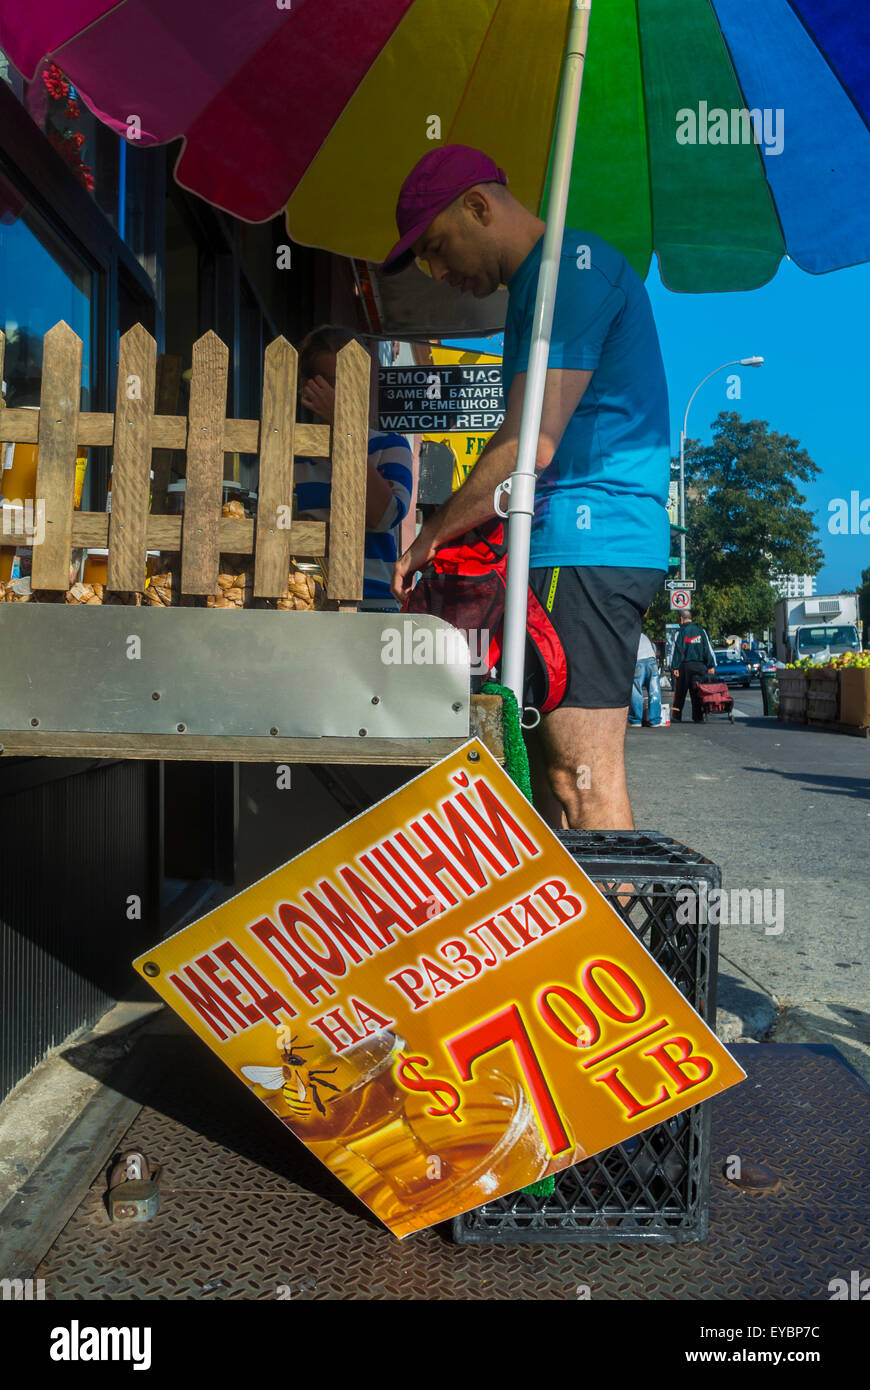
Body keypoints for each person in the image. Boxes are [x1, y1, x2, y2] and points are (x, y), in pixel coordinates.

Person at [382, 145, 669, 829]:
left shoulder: (570, 272)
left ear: (479, 206)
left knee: (579, 783)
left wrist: (430, 537)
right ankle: (578, 935)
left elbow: (526, 446)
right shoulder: (542, 284)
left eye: (438, 247)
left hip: (585, 544)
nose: (438, 271)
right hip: (573, 545)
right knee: (549, 786)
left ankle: (621, 939)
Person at [295, 326, 412, 612]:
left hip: (373, 601)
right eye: (335, 382)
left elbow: (384, 515)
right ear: (308, 385)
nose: (346, 392)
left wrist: (342, 427)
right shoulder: (291, 453)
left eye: (355, 381)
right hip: (303, 601)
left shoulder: (390, 445)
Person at [671, 610, 716, 722]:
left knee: (680, 692)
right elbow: (707, 649)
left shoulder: (680, 632)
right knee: (697, 691)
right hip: (700, 666)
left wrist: (675, 667)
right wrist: (710, 665)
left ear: (681, 619)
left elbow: (677, 650)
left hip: (685, 666)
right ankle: (698, 717)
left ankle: (676, 716)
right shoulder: (701, 631)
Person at [629, 631, 663, 727]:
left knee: (636, 691)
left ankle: (636, 720)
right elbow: (654, 649)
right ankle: (655, 720)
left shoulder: (628, 634)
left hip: (639, 661)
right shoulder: (643, 635)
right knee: (654, 692)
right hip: (652, 661)